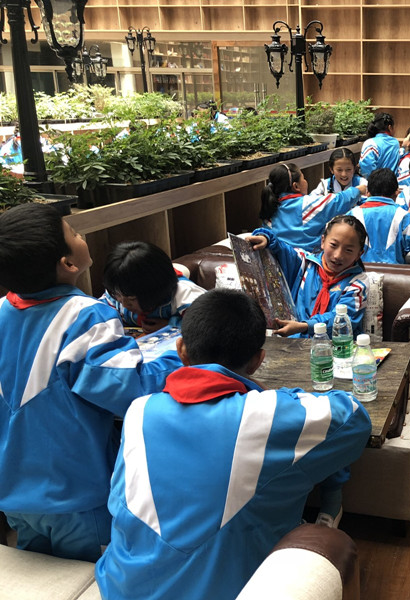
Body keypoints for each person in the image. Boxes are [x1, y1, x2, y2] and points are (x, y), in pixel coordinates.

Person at [95, 289, 371, 600]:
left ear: (181, 350)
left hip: (120, 589)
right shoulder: (267, 414)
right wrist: (277, 395)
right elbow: (355, 417)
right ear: (257, 361)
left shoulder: (138, 411)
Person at [0, 204, 181, 561]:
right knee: (94, 573)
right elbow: (129, 390)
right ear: (68, 263)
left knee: (43, 573)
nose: (81, 235)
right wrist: (178, 356)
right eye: (73, 233)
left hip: (15, 494)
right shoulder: (87, 317)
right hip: (75, 495)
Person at [247, 214, 370, 337]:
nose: (338, 255)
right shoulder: (305, 263)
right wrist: (266, 238)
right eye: (333, 245)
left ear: (359, 254)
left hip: (335, 345)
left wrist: (305, 326)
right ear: (323, 241)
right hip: (293, 342)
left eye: (348, 250)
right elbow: (281, 248)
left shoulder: (358, 282)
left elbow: (342, 319)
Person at [259, 162, 366, 253]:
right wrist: (358, 190)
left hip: (282, 265)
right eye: (303, 178)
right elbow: (338, 201)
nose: (305, 181)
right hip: (307, 264)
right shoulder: (306, 205)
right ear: (296, 186)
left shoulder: (270, 210)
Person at [101, 241, 206, 333]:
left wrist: (170, 325)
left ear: (156, 290)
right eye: (118, 296)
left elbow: (210, 324)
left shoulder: (184, 294)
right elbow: (99, 313)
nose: (124, 304)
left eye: (132, 299)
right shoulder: (118, 289)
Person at [348, 168, 410, 265]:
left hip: (358, 271)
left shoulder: (352, 214)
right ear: (397, 192)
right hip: (393, 272)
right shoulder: (403, 216)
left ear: (367, 192)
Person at [360, 112, 400, 178]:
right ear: (390, 127)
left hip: (374, 182)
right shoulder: (395, 143)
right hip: (393, 182)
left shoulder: (369, 143)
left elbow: (366, 166)